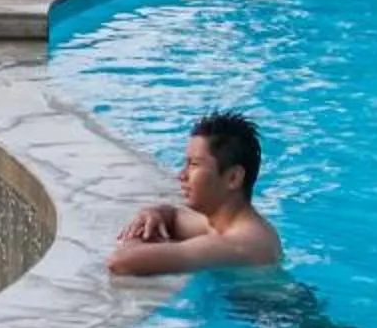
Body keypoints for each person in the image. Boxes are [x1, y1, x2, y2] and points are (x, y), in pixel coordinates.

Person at [108, 111, 281, 275]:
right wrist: (153, 214)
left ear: (233, 178)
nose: (182, 175)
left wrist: (136, 236)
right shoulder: (223, 223)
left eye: (194, 164)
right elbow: (175, 216)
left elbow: (120, 262)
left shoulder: (238, 244)